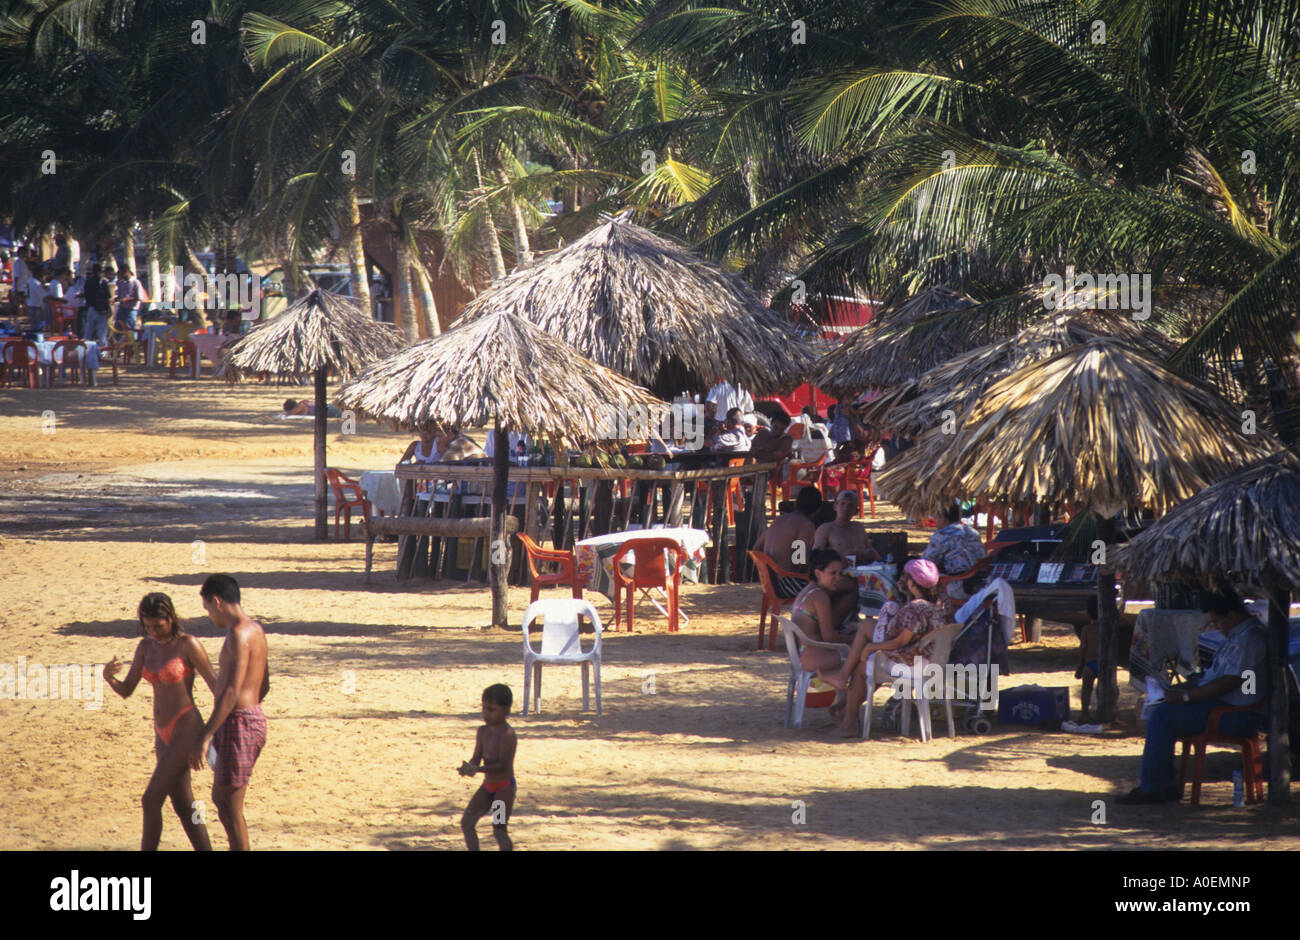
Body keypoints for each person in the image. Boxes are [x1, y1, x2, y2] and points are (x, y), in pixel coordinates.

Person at [1117, 588, 1268, 805]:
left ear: (1233, 616)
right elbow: (1216, 675)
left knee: (1162, 716)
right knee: (1161, 711)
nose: (1217, 627)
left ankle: (1154, 786)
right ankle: (1163, 782)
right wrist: (1185, 687)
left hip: (1235, 714)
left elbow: (1230, 681)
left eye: (1218, 622)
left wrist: (1188, 697)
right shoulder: (1237, 635)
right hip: (1221, 705)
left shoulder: (1250, 639)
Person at [103, 593, 219, 850]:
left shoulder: (188, 645)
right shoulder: (145, 647)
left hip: (186, 727)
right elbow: (126, 690)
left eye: (158, 626)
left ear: (171, 618)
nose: (153, 631)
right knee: (183, 803)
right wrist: (109, 678)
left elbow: (216, 687)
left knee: (150, 799)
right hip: (161, 731)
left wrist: (209, 734)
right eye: (148, 626)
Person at [820, 557, 946, 736]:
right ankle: (844, 708)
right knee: (870, 653)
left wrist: (871, 647)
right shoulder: (940, 604)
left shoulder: (915, 609)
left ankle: (848, 723)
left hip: (913, 662)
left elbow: (900, 641)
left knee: (864, 666)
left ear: (912, 582)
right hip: (929, 659)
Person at [190, 575, 270, 850]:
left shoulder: (237, 634)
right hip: (248, 718)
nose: (210, 616)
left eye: (208, 609)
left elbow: (232, 692)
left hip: (240, 722)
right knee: (223, 801)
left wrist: (206, 734)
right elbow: (265, 683)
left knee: (230, 806)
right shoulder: (256, 630)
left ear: (217, 602)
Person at [459, 683, 517, 851]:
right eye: (484, 709)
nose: (486, 714)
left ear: (506, 711)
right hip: (487, 787)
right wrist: (470, 767)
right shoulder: (482, 731)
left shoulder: (507, 735)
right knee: (467, 823)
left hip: (503, 788)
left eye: (492, 710)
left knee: (499, 829)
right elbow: (477, 757)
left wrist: (479, 770)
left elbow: (503, 765)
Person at [813, 490, 881, 627]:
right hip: (833, 576)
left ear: (856, 510)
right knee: (857, 587)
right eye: (842, 504)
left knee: (881, 583)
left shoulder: (858, 528)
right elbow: (815, 557)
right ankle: (834, 625)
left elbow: (874, 553)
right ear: (835, 506)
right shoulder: (826, 529)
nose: (845, 508)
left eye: (850, 505)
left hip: (860, 574)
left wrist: (863, 553)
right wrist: (839, 557)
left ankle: (871, 624)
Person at [754, 485, 822, 598]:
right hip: (787, 584)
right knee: (829, 589)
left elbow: (756, 548)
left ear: (796, 503)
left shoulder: (779, 519)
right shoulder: (806, 525)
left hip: (769, 584)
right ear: (818, 509)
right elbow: (799, 559)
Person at [789, 549, 849, 676]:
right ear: (818, 573)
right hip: (813, 658)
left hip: (804, 654)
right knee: (863, 658)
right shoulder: (819, 596)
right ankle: (849, 695)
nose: (838, 578)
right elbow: (829, 637)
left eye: (840, 573)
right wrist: (856, 639)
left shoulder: (808, 591)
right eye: (833, 573)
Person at [922, 501, 987, 600]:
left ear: (944, 519)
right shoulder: (973, 532)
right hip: (981, 583)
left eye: (937, 517)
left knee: (918, 575)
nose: (936, 520)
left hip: (959, 585)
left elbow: (926, 563)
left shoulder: (941, 536)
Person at [81, 263, 113, 345]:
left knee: (88, 334)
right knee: (102, 335)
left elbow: (86, 296)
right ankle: (103, 352)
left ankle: (86, 352)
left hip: (91, 309)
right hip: (102, 310)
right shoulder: (103, 283)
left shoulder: (88, 282)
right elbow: (107, 297)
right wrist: (109, 309)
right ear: (100, 272)